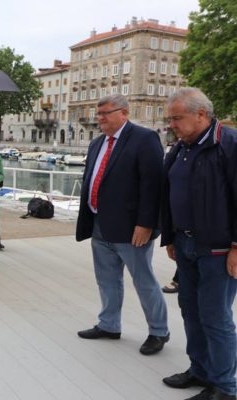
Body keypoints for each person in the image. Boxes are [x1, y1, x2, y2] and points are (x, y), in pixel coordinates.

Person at [75, 94, 169, 355]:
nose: (100, 118)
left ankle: (159, 331)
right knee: (106, 279)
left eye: (106, 113)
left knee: (144, 281)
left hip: (132, 229)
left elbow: (153, 186)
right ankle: (109, 325)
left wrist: (146, 224)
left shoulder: (144, 138)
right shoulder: (97, 144)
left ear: (124, 113)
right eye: (98, 113)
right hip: (99, 224)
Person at [160, 88, 237, 400]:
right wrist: (171, 236)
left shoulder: (228, 145)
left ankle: (226, 387)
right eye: (170, 119)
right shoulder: (182, 147)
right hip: (186, 243)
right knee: (190, 310)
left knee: (215, 317)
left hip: (218, 250)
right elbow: (169, 193)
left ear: (201, 115)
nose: (172, 125)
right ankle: (200, 370)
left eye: (177, 118)